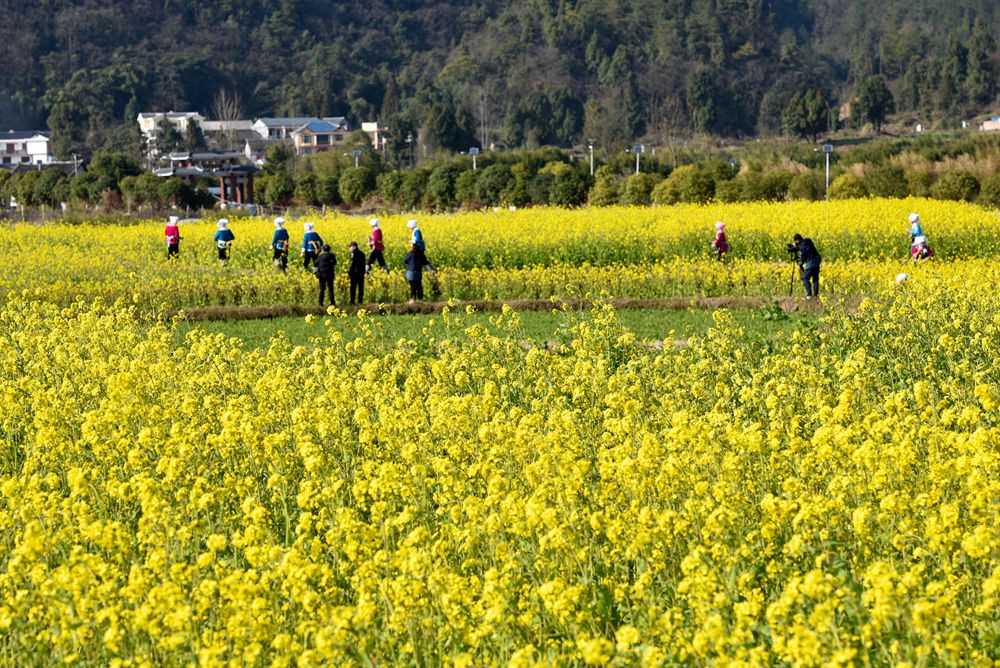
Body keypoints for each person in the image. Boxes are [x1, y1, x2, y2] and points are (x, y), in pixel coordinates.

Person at [793, 233, 821, 298]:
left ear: (797, 240)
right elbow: (807, 249)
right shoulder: (808, 241)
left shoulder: (802, 246)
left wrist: (800, 263)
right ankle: (816, 295)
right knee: (815, 278)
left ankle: (809, 295)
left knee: (805, 278)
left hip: (811, 262)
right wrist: (798, 247)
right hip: (817, 261)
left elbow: (804, 255)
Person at [347, 241, 366, 305]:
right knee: (361, 288)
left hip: (354, 274)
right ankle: (360, 301)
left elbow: (352, 264)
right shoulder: (362, 253)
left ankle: (352, 301)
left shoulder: (353, 254)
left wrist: (349, 273)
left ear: (354, 247)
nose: (349, 248)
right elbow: (364, 264)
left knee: (353, 288)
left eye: (350, 247)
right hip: (361, 273)